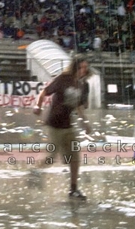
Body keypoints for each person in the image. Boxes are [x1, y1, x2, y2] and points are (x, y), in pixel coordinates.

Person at [34, 55, 92, 201]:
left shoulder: (83, 84)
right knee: (52, 156)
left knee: (75, 156)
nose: (84, 70)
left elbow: (79, 106)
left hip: (68, 124)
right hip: (54, 123)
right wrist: (38, 106)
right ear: (75, 67)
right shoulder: (63, 79)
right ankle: (36, 172)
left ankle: (74, 188)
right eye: (81, 67)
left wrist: (85, 122)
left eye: (86, 67)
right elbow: (44, 92)